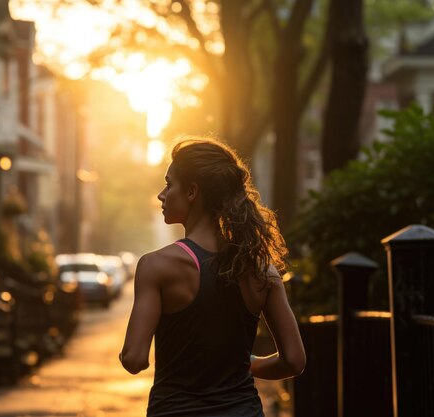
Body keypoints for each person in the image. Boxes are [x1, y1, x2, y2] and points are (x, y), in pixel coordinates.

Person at [120, 138, 306, 416]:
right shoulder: (261, 270)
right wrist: (248, 363)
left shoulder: (156, 266)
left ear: (192, 191)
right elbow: (293, 361)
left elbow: (134, 359)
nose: (162, 194)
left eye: (169, 184)